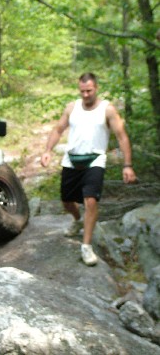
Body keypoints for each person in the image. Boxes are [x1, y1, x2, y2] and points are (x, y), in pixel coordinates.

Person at [40, 73, 137, 266]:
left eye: (89, 91)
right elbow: (58, 129)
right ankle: (77, 220)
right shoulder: (72, 107)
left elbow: (122, 137)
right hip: (72, 159)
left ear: (96, 88)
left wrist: (127, 165)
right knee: (67, 201)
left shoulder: (107, 110)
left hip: (95, 159)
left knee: (90, 200)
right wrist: (48, 150)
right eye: (82, 91)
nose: (85, 95)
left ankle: (86, 246)